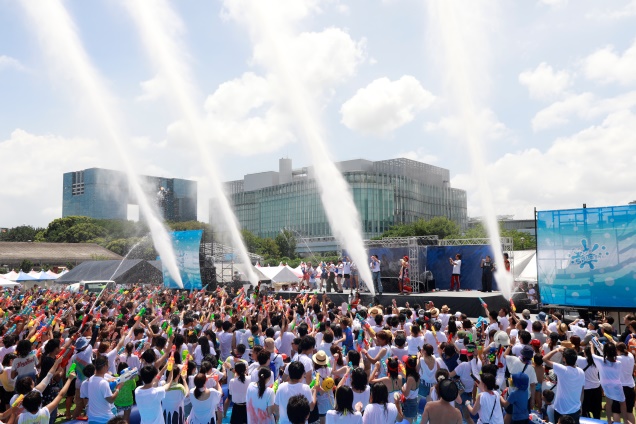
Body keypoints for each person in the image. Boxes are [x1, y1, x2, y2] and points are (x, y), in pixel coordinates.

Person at [543, 347, 585, 423]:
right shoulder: (581, 371)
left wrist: (556, 350)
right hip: (575, 410)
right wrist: (580, 406)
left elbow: (545, 359)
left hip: (560, 410)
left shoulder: (562, 369)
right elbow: (582, 391)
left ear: (564, 359)